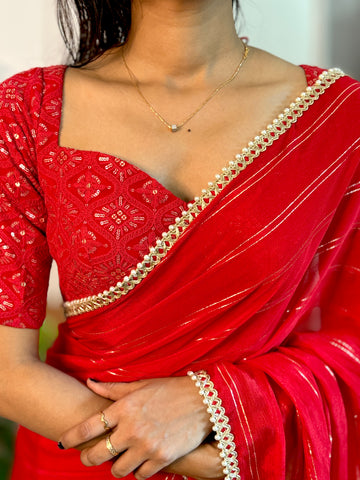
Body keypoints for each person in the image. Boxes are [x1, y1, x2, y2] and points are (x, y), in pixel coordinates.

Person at [0, 0, 359, 479]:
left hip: (255, 449)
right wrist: (195, 457)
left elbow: (350, 340)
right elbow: (6, 369)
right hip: (83, 459)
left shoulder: (337, 120)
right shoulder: (28, 110)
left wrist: (210, 403)